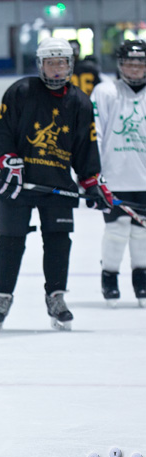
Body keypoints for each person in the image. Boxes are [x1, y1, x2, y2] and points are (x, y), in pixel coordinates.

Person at [0, 37, 113, 331]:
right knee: (10, 240)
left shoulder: (80, 102)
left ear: (70, 65)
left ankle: (56, 296)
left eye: (62, 63)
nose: (56, 69)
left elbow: (86, 147)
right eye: (50, 63)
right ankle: (3, 296)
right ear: (40, 65)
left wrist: (92, 181)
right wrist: (8, 160)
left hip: (57, 185)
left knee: (58, 241)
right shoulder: (20, 91)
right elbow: (2, 131)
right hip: (17, 185)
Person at [90, 39, 146, 307]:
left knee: (143, 232)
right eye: (129, 63)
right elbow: (96, 133)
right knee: (116, 229)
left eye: (140, 64)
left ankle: (142, 279)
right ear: (120, 64)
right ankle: (109, 277)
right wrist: (94, 172)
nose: (134, 69)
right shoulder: (105, 91)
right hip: (114, 176)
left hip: (144, 177)